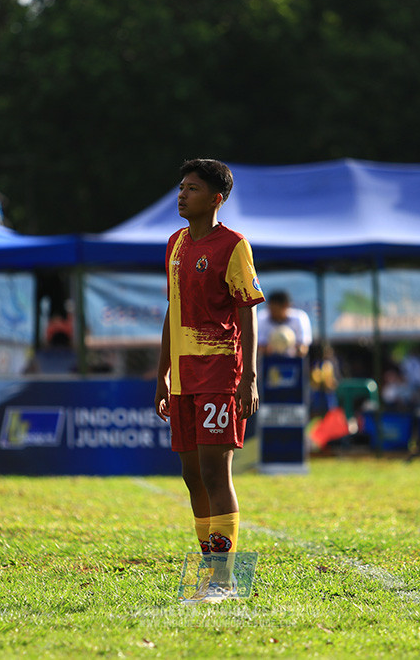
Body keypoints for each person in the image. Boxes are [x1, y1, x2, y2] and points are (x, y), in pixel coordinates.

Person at [154, 159, 264, 604]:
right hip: (181, 375)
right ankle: (209, 576)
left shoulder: (234, 245)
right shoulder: (174, 244)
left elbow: (246, 310)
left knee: (216, 473)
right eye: (180, 187)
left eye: (192, 188)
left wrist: (249, 377)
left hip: (220, 370)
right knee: (191, 474)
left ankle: (224, 581)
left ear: (216, 198)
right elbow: (172, 309)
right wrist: (161, 370)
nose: (181, 195)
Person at [256, 290, 312, 357]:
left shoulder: (300, 318)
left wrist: (293, 348)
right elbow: (259, 346)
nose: (272, 312)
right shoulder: (261, 317)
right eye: (270, 308)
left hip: (294, 361)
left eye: (275, 308)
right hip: (268, 361)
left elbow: (304, 347)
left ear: (285, 306)